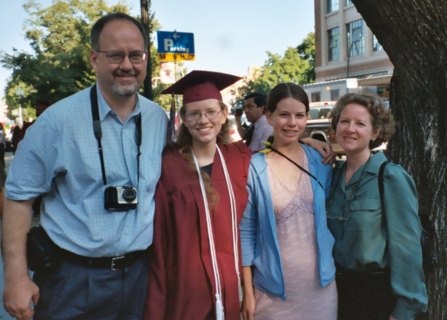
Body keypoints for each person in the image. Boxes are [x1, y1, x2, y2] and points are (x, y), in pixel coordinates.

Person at [2, 12, 167, 320]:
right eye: (115, 55)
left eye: (136, 55)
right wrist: (16, 277)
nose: (127, 65)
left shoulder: (159, 119)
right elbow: (18, 198)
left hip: (139, 278)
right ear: (94, 59)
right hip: (72, 280)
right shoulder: (57, 122)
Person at [144, 70, 251, 320]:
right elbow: (160, 242)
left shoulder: (239, 159)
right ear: (183, 118)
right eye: (194, 113)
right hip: (185, 290)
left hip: (230, 285)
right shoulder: (168, 166)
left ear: (224, 115)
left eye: (211, 111)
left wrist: (312, 143)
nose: (203, 120)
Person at [240, 83, 337, 320]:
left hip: (321, 289)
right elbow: (246, 232)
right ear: (269, 116)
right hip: (272, 294)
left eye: (299, 115)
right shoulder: (255, 168)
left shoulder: (320, 161)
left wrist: (310, 142)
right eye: (284, 115)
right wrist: (248, 292)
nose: (292, 123)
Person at [326, 93, 428, 320]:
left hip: (376, 296)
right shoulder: (332, 176)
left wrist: (404, 310)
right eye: (344, 121)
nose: (350, 128)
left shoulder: (390, 176)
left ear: (375, 132)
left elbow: (407, 248)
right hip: (336, 294)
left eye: (360, 123)